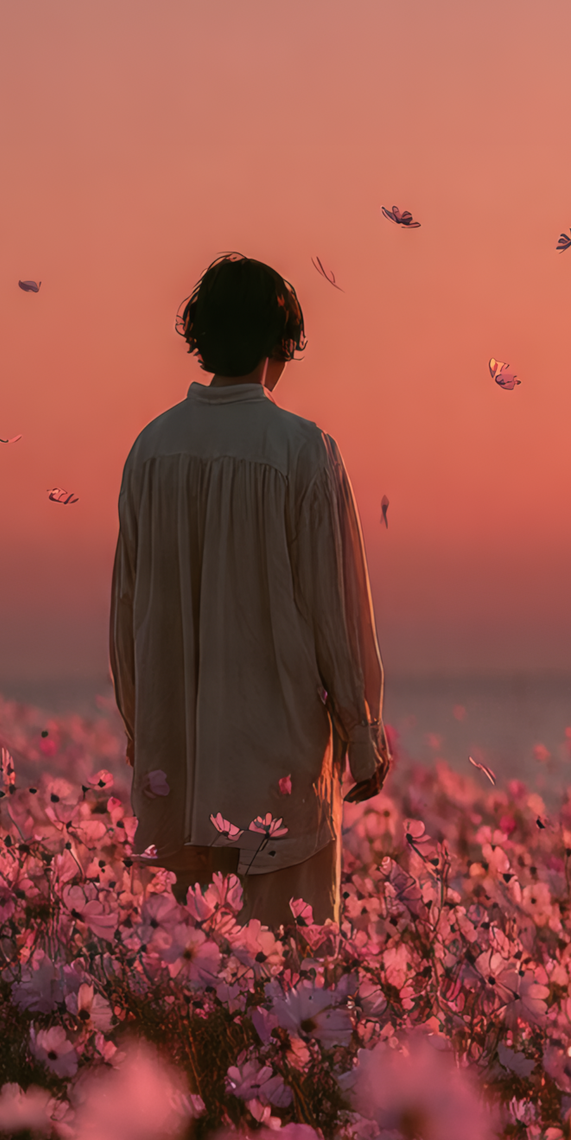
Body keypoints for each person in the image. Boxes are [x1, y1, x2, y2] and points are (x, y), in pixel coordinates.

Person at [109, 252, 389, 927]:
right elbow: (336, 609)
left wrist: (142, 729)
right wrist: (362, 729)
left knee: (198, 983)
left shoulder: (150, 452)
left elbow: (127, 613)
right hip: (279, 764)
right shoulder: (303, 451)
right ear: (280, 342)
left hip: (180, 759)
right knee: (291, 987)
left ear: (202, 337)